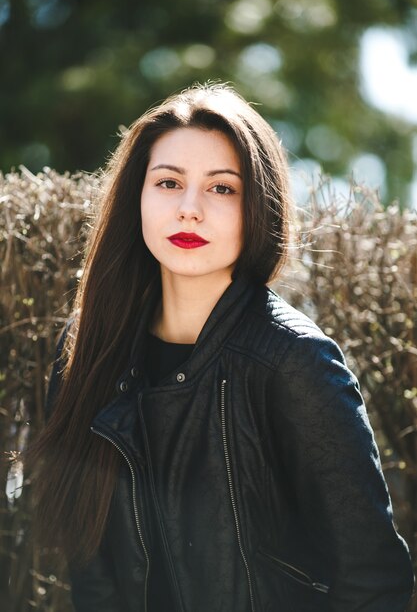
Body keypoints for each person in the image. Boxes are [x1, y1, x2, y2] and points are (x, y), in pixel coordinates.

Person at [29, 83, 413, 612]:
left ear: (259, 207)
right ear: (136, 197)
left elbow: (374, 582)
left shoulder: (296, 362)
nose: (190, 209)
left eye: (222, 189)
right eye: (168, 182)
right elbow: (93, 576)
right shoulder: (87, 352)